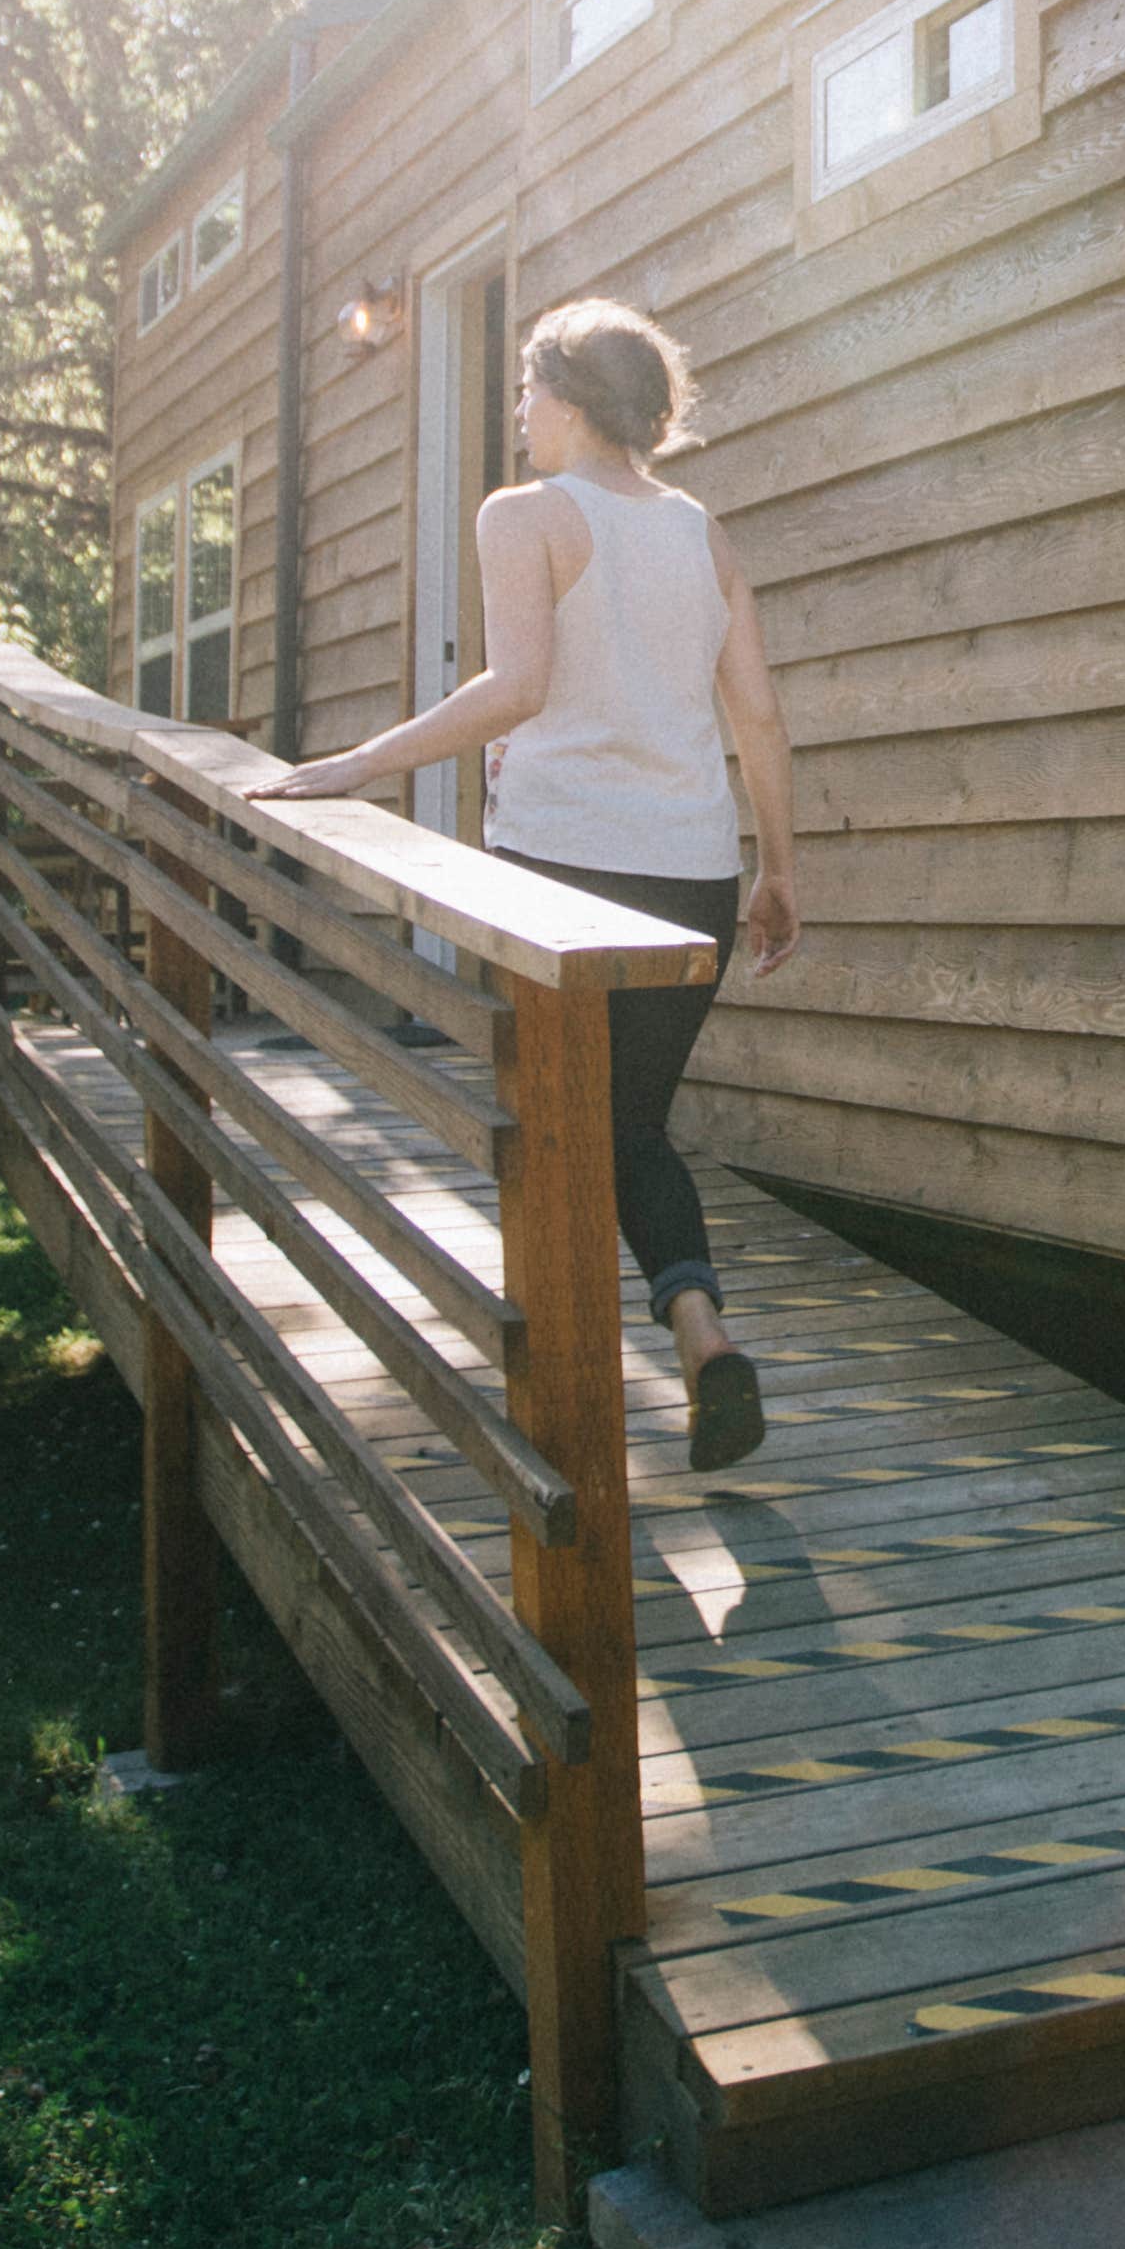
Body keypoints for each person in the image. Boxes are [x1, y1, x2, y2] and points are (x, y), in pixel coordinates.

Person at [256, 294, 799, 1469]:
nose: (515, 415)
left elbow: (517, 685)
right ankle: (701, 1337)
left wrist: (356, 764)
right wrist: (778, 868)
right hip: (694, 872)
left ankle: (565, 1411)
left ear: (565, 399)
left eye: (523, 392)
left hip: (560, 869)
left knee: (554, 1129)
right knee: (627, 1128)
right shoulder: (702, 530)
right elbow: (752, 710)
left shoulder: (525, 515)